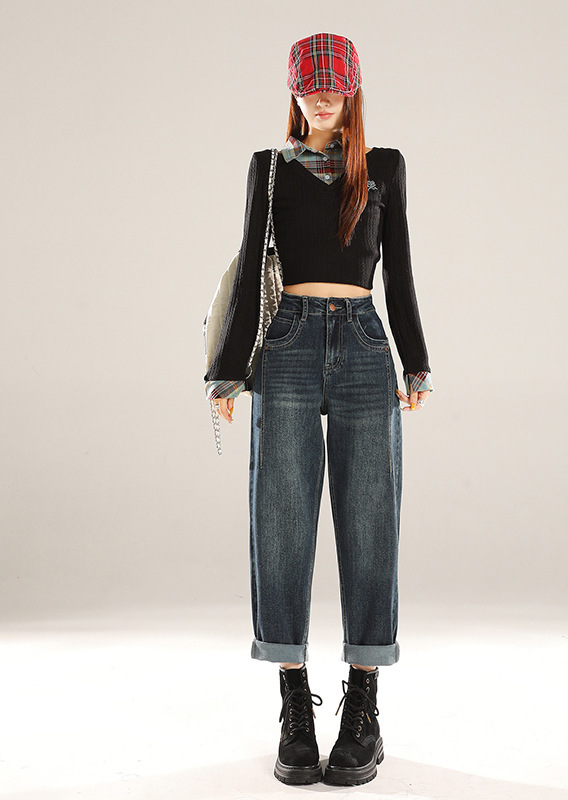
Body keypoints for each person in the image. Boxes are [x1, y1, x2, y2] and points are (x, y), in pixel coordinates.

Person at [204, 32, 433, 787]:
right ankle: (294, 709)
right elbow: (249, 265)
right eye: (309, 86)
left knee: (371, 520)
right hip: (288, 344)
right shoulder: (269, 168)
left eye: (333, 86)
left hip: (365, 344)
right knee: (280, 518)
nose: (321, 97)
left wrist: (416, 359)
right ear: (294, 91)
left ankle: (363, 706)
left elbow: (399, 271)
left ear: (353, 90)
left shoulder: (384, 167)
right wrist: (227, 373)